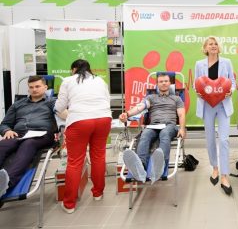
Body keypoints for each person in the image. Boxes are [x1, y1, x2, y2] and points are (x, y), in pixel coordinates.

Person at [55, 59, 112, 214]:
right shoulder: (100, 80)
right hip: (103, 119)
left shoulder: (68, 80)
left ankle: (69, 204)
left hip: (80, 121)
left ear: (73, 69)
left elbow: (60, 106)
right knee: (99, 156)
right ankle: (98, 193)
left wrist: (55, 110)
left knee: (75, 162)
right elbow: (107, 100)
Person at [120, 73, 186, 184]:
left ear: (170, 83)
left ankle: (160, 166)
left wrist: (182, 129)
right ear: (157, 84)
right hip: (153, 125)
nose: (164, 83)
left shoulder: (177, 98)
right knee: (145, 134)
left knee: (165, 134)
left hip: (170, 125)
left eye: (166, 81)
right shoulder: (151, 97)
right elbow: (139, 107)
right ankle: (140, 166)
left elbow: (181, 114)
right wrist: (127, 114)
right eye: (161, 81)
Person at [0, 75, 57, 198]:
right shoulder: (18, 104)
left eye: (37, 86)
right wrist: (7, 131)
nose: (34, 89)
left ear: (45, 87)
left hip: (41, 135)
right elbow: (4, 124)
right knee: (2, 145)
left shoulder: (52, 102)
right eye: (31, 87)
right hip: (18, 134)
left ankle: (7, 182)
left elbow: (62, 117)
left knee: (28, 144)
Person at [194, 36, 235, 196]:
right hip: (206, 105)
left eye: (216, 43)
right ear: (205, 48)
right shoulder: (199, 64)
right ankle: (215, 168)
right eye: (210, 44)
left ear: (219, 47)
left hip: (223, 104)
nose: (213, 46)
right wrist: (198, 91)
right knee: (210, 138)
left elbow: (232, 81)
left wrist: (230, 90)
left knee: (224, 139)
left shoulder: (227, 62)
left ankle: (225, 175)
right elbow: (196, 82)